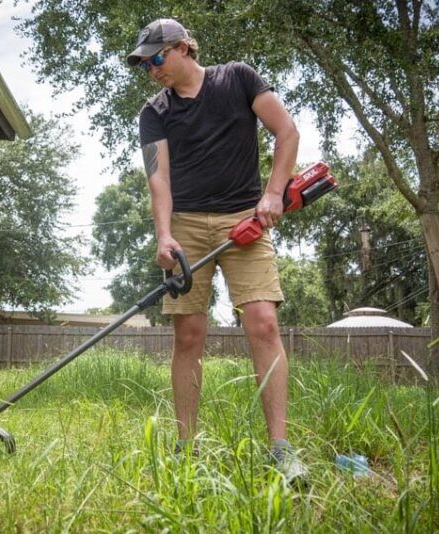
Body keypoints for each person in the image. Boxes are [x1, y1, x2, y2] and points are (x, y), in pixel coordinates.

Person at [127, 18, 307, 483]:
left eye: (157, 57)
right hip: (185, 226)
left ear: (184, 48)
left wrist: (274, 193)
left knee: (263, 322)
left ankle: (281, 450)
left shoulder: (238, 79)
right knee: (188, 335)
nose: (152, 69)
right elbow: (158, 179)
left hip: (245, 219)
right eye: (145, 64)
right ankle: (186, 449)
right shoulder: (154, 112)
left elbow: (287, 132)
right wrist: (164, 235)